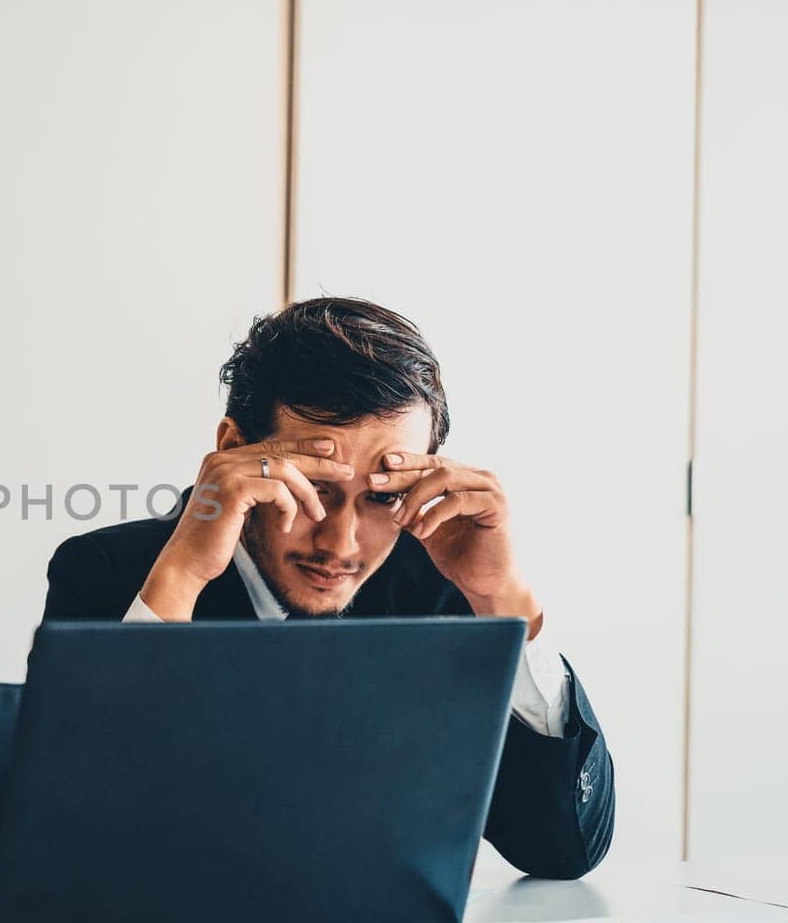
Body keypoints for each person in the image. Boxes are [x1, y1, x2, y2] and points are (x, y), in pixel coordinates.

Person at [42, 297, 613, 880]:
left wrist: (502, 601)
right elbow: (71, 831)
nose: (340, 544)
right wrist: (182, 578)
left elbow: (562, 849)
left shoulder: (437, 587)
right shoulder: (108, 572)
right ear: (233, 450)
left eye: (382, 496)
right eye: (314, 488)